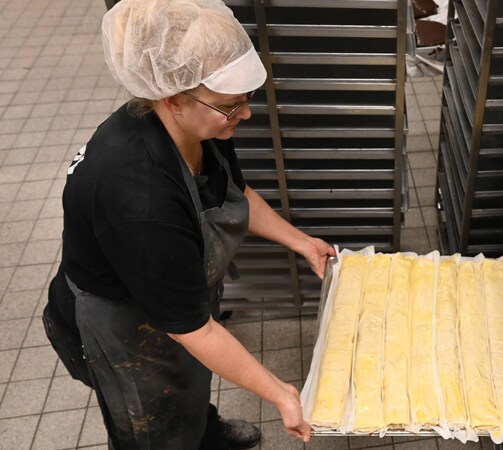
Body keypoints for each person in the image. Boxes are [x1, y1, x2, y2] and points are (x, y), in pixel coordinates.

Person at [41, 0, 335, 448]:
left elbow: (232, 194)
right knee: (154, 424)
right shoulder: (139, 197)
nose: (246, 115)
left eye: (244, 101)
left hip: (174, 300)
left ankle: (205, 431)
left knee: (190, 387)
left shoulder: (199, 128)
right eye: (230, 107)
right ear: (173, 97)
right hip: (123, 327)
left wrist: (301, 242)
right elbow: (193, 330)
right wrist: (280, 394)